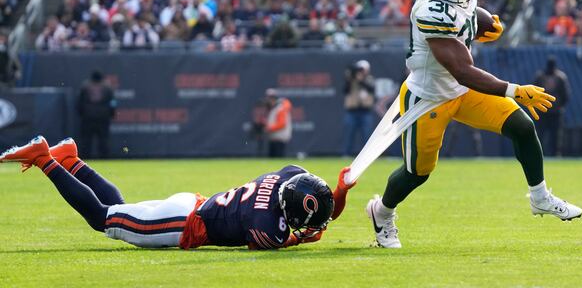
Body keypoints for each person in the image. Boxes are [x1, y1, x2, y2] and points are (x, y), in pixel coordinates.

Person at [366, 0, 582, 249]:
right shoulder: (429, 10)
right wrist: (514, 90)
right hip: (430, 98)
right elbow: (462, 70)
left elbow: (467, 11)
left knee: (522, 126)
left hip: (462, 91)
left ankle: (540, 197)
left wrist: (484, 21)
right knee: (417, 173)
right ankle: (382, 212)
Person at [0, 136, 355, 250]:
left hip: (191, 204)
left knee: (120, 209)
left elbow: (315, 205)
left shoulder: (289, 175)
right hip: (185, 224)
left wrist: (338, 191)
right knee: (102, 219)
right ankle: (45, 158)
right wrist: (307, 237)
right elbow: (299, 233)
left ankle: (71, 160)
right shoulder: (268, 226)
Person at [534, 56, 571, 157]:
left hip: (553, 112)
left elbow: (565, 95)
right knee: (541, 134)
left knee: (555, 135)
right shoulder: (544, 77)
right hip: (545, 111)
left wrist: (559, 106)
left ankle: (554, 153)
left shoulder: (558, 77)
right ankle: (541, 153)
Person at [77, 71, 116, 158]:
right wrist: (112, 113)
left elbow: (79, 102)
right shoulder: (107, 87)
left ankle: (85, 158)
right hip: (103, 117)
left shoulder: (85, 87)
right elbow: (113, 102)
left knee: (86, 140)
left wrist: (81, 113)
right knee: (103, 140)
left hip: (88, 117)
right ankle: (104, 158)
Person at [342, 60, 375, 157]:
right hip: (352, 111)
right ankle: (346, 154)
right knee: (349, 134)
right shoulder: (351, 80)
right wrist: (351, 77)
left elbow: (371, 89)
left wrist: (361, 80)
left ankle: (368, 155)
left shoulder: (369, 79)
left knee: (367, 135)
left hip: (365, 111)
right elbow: (345, 90)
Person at [262, 89, 292, 158]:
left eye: (269, 98)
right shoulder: (274, 108)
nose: (267, 100)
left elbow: (282, 124)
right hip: (274, 138)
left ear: (273, 98)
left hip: (279, 139)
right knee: (273, 163)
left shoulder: (280, 108)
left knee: (278, 162)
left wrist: (269, 128)